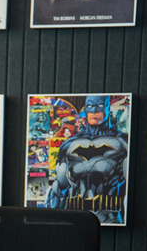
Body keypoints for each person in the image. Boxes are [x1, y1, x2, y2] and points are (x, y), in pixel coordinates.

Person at [46, 95, 128, 224]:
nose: (94, 111)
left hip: (109, 216)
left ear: (108, 107)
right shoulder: (69, 145)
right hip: (75, 217)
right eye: (90, 106)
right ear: (85, 109)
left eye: (99, 106)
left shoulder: (123, 142)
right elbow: (58, 188)